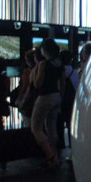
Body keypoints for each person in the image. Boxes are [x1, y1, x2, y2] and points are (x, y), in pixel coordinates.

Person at [30, 38, 65, 168]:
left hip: (44, 97)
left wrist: (34, 74)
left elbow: (38, 83)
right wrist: (60, 99)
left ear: (44, 50)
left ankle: (50, 156)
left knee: (36, 128)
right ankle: (55, 156)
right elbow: (63, 84)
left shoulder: (43, 64)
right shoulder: (60, 64)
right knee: (51, 128)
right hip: (56, 97)